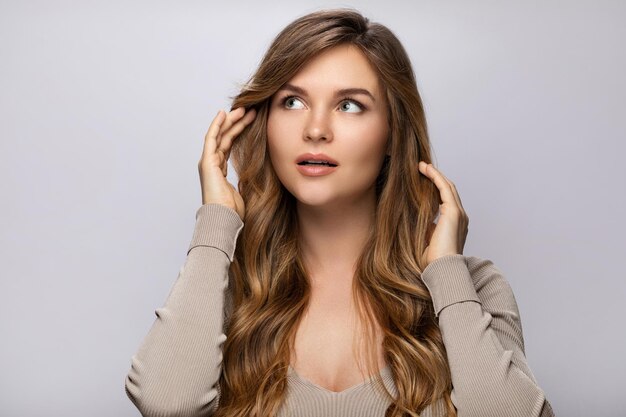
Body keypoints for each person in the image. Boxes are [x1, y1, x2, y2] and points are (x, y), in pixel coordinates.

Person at [125, 9, 555, 417]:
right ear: (264, 121)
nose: (315, 129)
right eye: (292, 102)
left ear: (393, 134)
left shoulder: (471, 288)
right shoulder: (224, 285)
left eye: (349, 105)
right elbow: (167, 404)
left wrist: (445, 274)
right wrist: (216, 223)